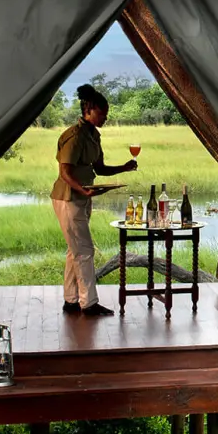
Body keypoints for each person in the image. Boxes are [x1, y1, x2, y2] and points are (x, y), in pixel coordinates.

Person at [52, 83, 137, 315]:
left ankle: (71, 300)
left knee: (75, 250)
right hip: (69, 198)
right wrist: (83, 189)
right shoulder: (74, 136)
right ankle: (88, 303)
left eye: (106, 114)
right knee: (85, 250)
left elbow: (99, 169)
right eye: (102, 113)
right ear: (88, 110)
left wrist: (124, 167)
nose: (105, 117)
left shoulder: (93, 136)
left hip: (82, 197)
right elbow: (64, 173)